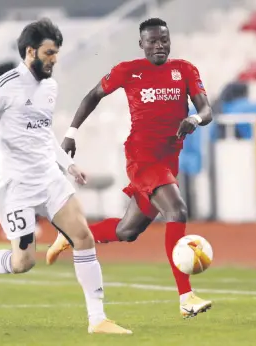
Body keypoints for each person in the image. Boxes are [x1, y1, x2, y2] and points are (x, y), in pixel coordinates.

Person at [0, 18, 131, 335]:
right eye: (49, 52)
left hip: (49, 178)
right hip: (16, 186)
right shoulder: (6, 85)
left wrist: (67, 164)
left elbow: (43, 133)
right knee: (24, 262)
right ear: (30, 51)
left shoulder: (50, 87)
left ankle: (98, 319)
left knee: (83, 237)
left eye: (57, 52)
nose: (55, 59)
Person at [46, 18, 213, 319]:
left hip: (168, 160)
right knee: (177, 211)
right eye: (152, 41)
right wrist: (70, 133)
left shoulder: (185, 70)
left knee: (128, 230)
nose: (159, 45)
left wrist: (195, 120)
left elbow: (206, 110)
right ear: (141, 44)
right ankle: (186, 297)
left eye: (164, 39)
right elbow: (93, 95)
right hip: (142, 158)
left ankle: (72, 235)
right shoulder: (129, 70)